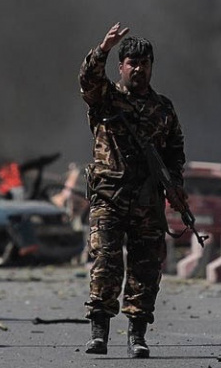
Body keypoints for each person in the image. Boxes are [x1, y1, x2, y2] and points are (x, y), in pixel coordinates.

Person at [79, 22, 187, 358]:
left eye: (144, 63)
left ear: (152, 66)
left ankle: (137, 336)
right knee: (106, 262)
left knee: (146, 269)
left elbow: (175, 151)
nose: (139, 69)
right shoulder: (106, 99)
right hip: (109, 197)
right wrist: (103, 49)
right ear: (121, 67)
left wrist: (175, 185)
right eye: (132, 63)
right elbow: (88, 80)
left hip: (146, 199)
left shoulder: (163, 109)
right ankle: (99, 333)